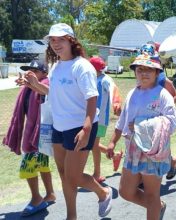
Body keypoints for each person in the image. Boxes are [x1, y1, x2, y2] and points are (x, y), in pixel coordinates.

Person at [41, 23, 112, 219]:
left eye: (61, 39)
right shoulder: (55, 66)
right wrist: (34, 85)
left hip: (80, 126)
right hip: (59, 126)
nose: (56, 44)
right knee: (65, 176)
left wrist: (87, 127)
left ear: (71, 41)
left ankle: (103, 192)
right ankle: (71, 216)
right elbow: (53, 94)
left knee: (73, 176)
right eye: (53, 40)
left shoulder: (82, 66)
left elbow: (92, 97)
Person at [106, 53, 176, 220]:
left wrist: (141, 124)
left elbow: (171, 122)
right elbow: (123, 121)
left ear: (157, 72)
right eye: (140, 69)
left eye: (149, 70)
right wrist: (112, 142)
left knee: (152, 194)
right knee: (125, 191)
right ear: (135, 72)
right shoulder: (132, 94)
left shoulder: (162, 94)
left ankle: (154, 206)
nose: (144, 73)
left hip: (153, 151)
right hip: (132, 147)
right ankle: (157, 206)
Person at [3, 60, 56, 216]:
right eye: (28, 70)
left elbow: (45, 92)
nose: (30, 73)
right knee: (42, 165)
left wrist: (32, 84)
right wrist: (28, 84)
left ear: (44, 73)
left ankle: (36, 198)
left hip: (40, 134)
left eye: (35, 71)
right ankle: (50, 193)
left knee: (27, 168)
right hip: (34, 132)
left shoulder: (46, 84)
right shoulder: (29, 87)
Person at [139, 43, 176, 180]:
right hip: (145, 121)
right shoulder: (141, 76)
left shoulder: (161, 78)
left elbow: (174, 95)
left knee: (157, 147)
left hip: (159, 122)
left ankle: (171, 163)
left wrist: (164, 112)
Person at [89, 56, 123, 184]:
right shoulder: (92, 79)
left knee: (93, 145)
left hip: (99, 119)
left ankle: (97, 174)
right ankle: (114, 156)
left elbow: (113, 89)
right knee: (92, 144)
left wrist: (116, 102)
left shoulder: (104, 79)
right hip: (90, 117)